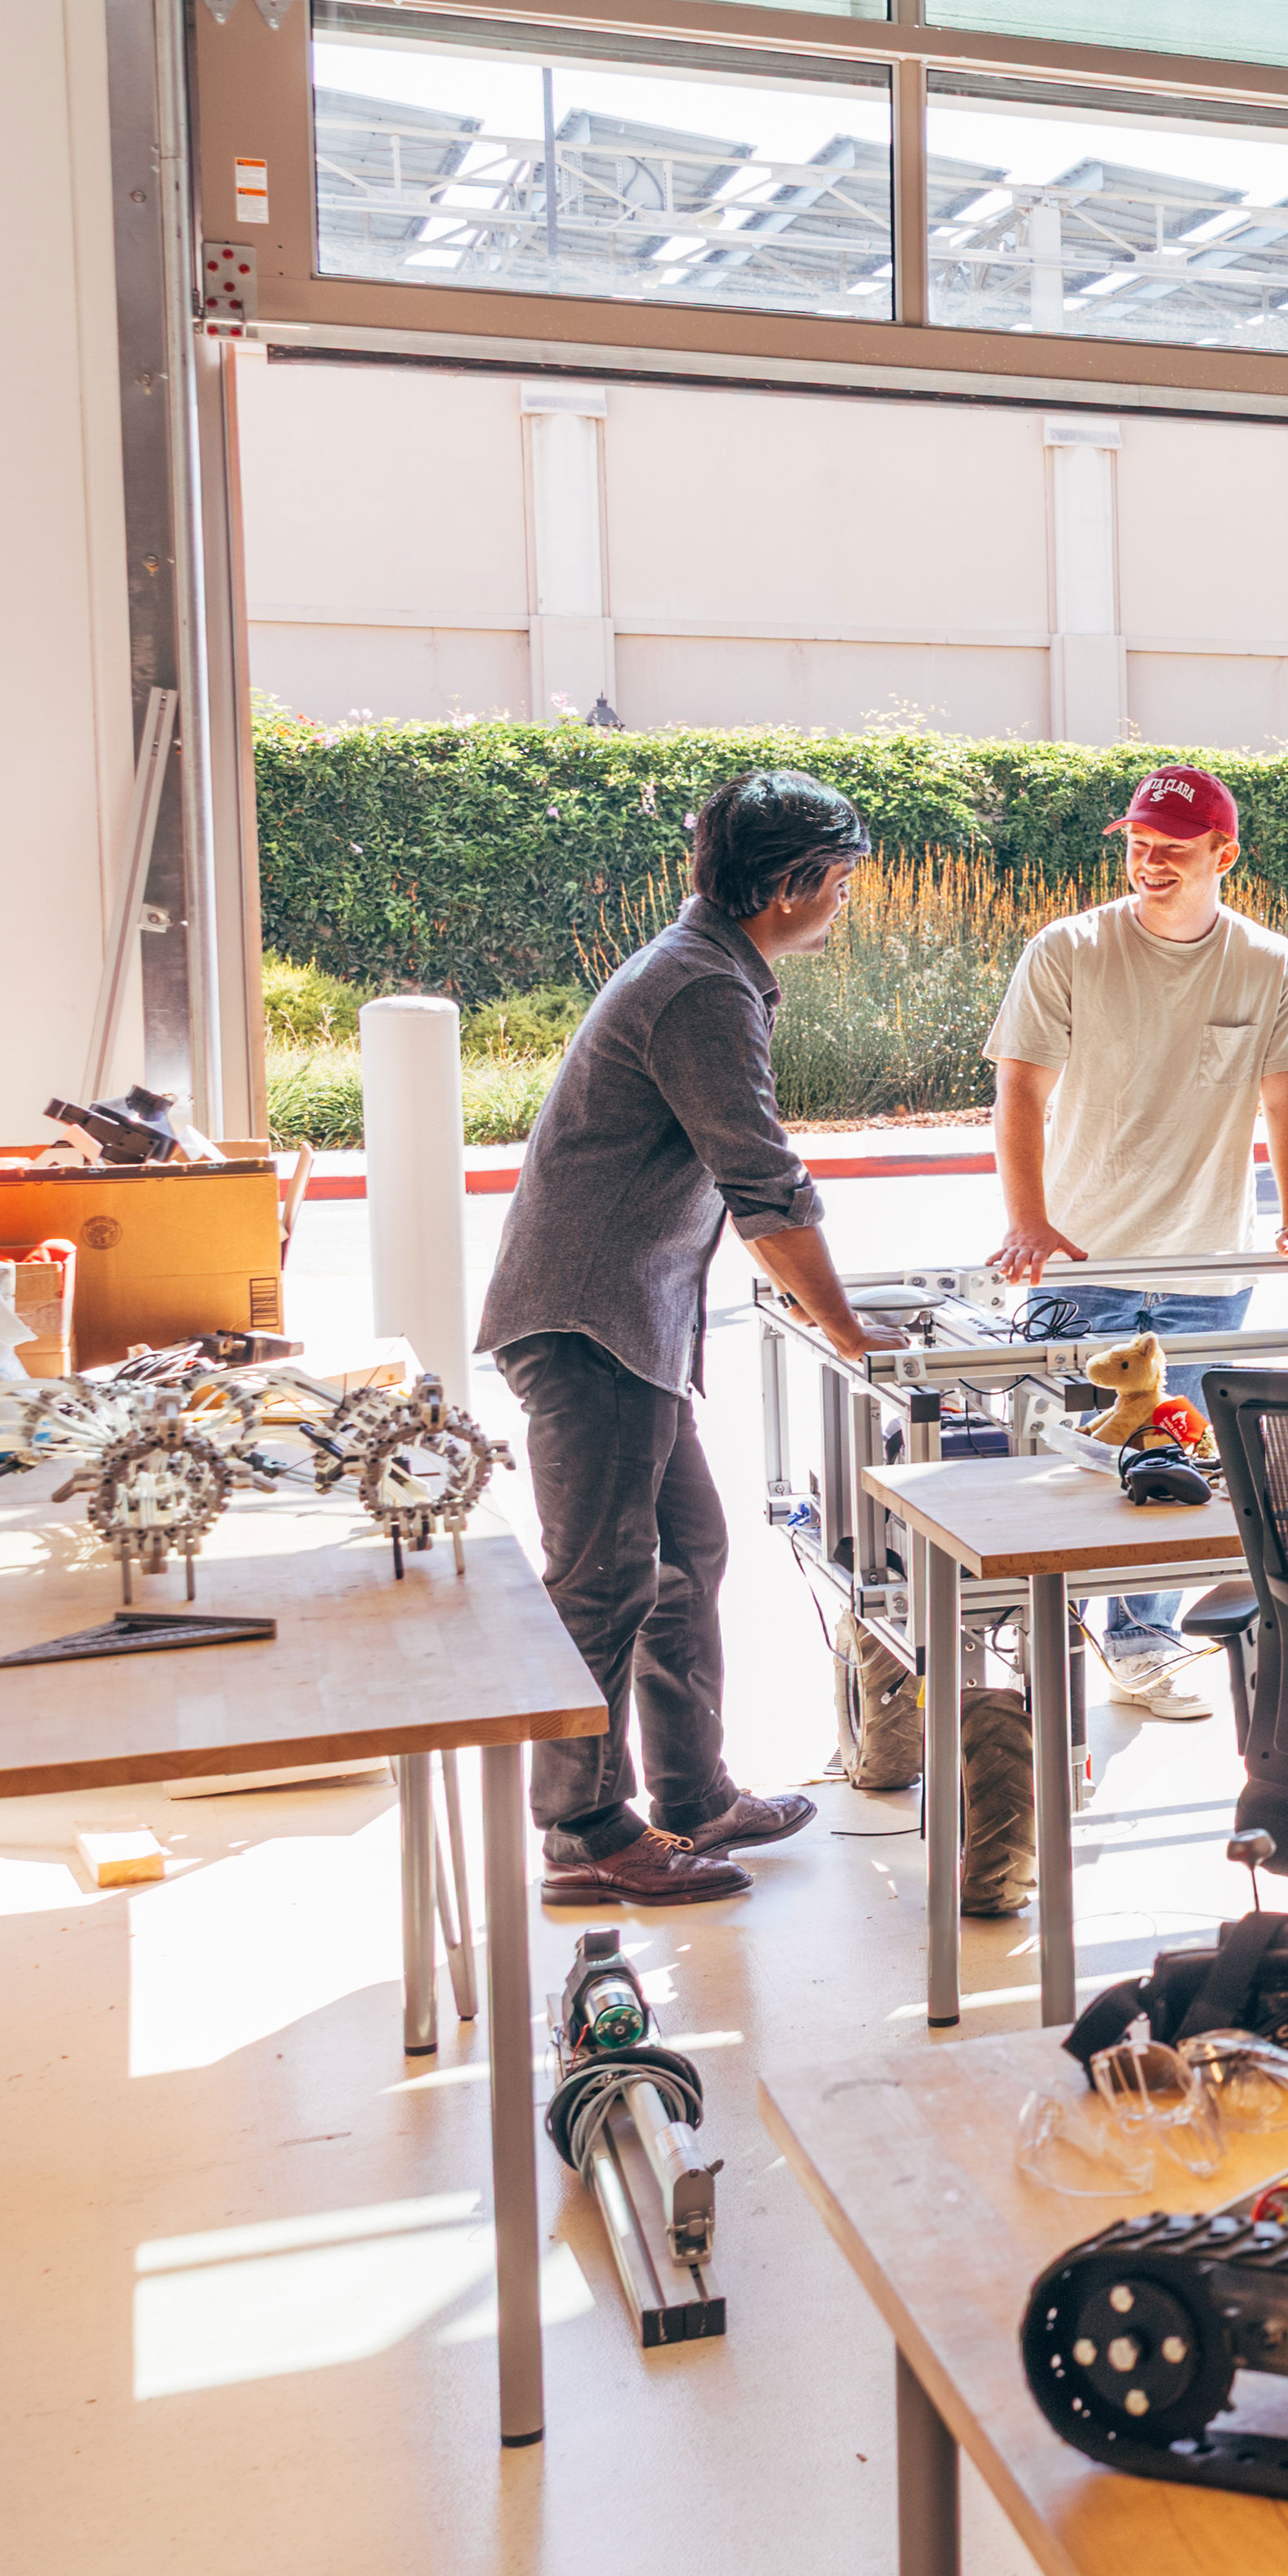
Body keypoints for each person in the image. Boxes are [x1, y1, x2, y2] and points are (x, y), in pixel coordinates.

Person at [479, 771, 897, 1904]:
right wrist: (847, 1328)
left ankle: (694, 1795)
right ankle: (584, 1832)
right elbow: (762, 1178)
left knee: (687, 1552)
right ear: (791, 883)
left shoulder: (705, 963)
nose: (844, 897)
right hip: (593, 1321)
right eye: (839, 878)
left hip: (624, 1319)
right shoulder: (702, 987)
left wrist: (816, 1301)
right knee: (605, 1582)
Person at [986, 763, 1288, 1708]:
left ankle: (1140, 1648)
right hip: (1085, 1260)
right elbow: (1019, 1090)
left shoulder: (1267, 964)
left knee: (1176, 1464)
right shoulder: (1069, 949)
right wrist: (1028, 1219)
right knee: (1069, 1469)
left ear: (1225, 855)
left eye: (1173, 849)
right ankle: (1046, 1659)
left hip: (1205, 1264)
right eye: (1139, 844)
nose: (1150, 861)